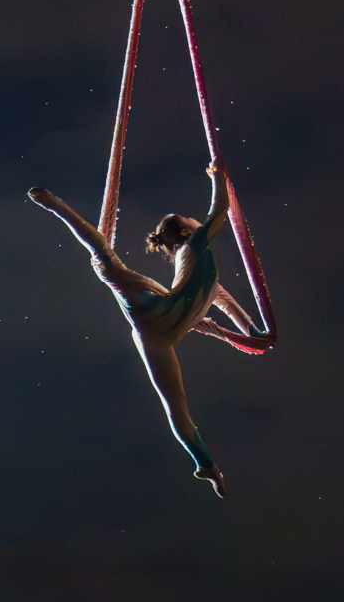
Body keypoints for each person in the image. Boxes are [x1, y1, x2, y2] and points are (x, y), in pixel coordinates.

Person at [27, 159, 246, 495]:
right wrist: (217, 175)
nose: (194, 219)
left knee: (176, 407)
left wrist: (254, 337)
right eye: (188, 219)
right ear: (185, 232)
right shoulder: (192, 247)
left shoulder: (207, 276)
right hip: (152, 313)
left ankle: (207, 466)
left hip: (160, 333)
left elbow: (230, 313)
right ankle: (54, 205)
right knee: (104, 260)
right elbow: (219, 211)